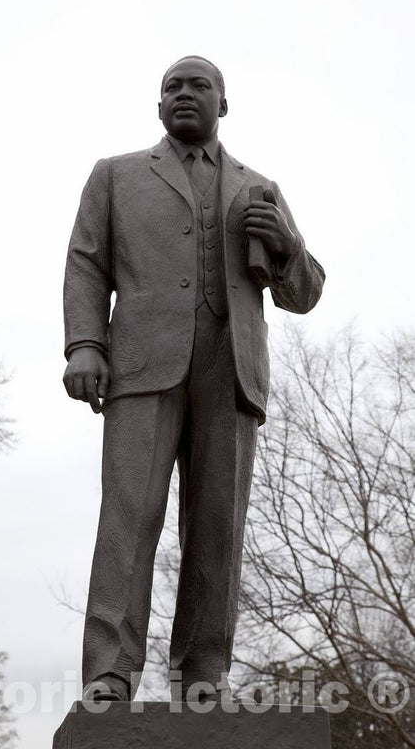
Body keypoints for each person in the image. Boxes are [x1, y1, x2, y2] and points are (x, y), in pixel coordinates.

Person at [63, 55, 324, 703]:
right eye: (171, 87)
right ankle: (109, 674)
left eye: (198, 85)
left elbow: (306, 293)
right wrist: (85, 344)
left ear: (222, 104)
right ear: (157, 107)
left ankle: (203, 675)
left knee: (217, 529)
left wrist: (286, 244)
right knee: (128, 519)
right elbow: (87, 266)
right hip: (140, 367)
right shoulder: (115, 176)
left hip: (229, 370)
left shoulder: (258, 185)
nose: (184, 94)